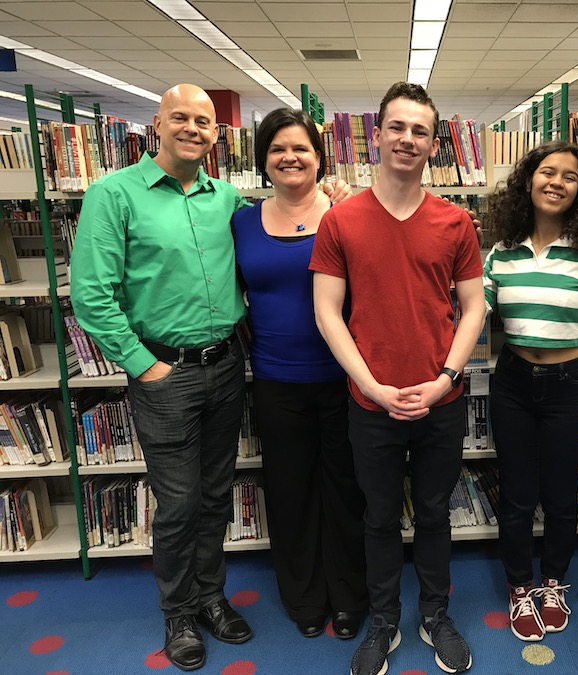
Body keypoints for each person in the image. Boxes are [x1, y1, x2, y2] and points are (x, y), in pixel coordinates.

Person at [69, 84, 351, 672]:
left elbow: (287, 222)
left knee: (216, 496)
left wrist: (333, 193)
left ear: (218, 135)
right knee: (177, 502)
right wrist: (142, 363)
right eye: (181, 118)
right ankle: (179, 613)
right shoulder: (112, 195)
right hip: (162, 369)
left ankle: (211, 595)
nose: (193, 128)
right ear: (157, 123)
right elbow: (92, 296)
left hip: (226, 365)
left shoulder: (228, 201)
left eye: (204, 120)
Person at [310, 82, 485, 675]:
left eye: (419, 131)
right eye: (397, 127)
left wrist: (444, 378)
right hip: (370, 400)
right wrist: (373, 386)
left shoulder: (456, 223)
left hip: (442, 399)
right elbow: (327, 312)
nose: (407, 139)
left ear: (433, 145)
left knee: (434, 512)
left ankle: (435, 614)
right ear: (377, 135)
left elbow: (474, 308)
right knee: (379, 516)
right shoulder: (342, 221)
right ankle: (383, 620)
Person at [232, 109, 368, 641]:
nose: (290, 157)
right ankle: (304, 597)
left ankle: (349, 595)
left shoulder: (349, 212)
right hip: (275, 379)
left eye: (301, 148)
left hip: (345, 377)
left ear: (319, 157)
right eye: (276, 149)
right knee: (289, 491)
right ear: (263, 160)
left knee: (346, 488)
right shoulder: (241, 220)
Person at [482, 140, 578, 642]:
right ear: (527, 181)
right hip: (515, 383)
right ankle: (520, 586)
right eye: (547, 172)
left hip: (573, 386)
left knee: (562, 498)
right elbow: (473, 310)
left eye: (569, 176)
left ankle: (552, 583)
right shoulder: (502, 251)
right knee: (518, 496)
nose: (556, 182)